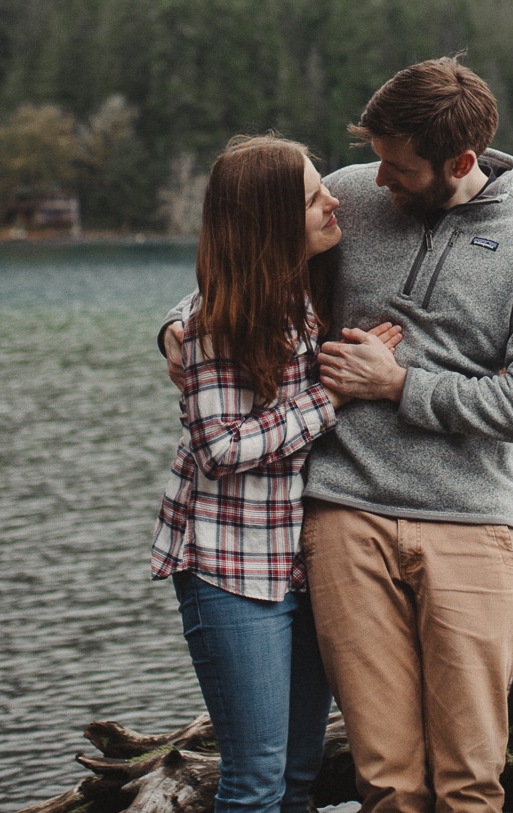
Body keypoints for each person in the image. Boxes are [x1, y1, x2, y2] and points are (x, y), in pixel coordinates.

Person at [164, 58, 513, 813]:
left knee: (470, 779)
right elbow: (249, 256)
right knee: (384, 780)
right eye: (374, 156)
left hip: (470, 523)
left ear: (459, 163)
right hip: (342, 519)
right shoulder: (351, 192)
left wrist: (399, 386)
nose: (373, 178)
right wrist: (174, 326)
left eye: (396, 165)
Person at [148, 134, 403, 813]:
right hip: (230, 569)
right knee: (256, 778)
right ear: (269, 220)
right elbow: (221, 450)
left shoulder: (307, 287)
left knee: (297, 776)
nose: (333, 198)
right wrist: (333, 397)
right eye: (313, 194)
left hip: (302, 564)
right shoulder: (214, 323)